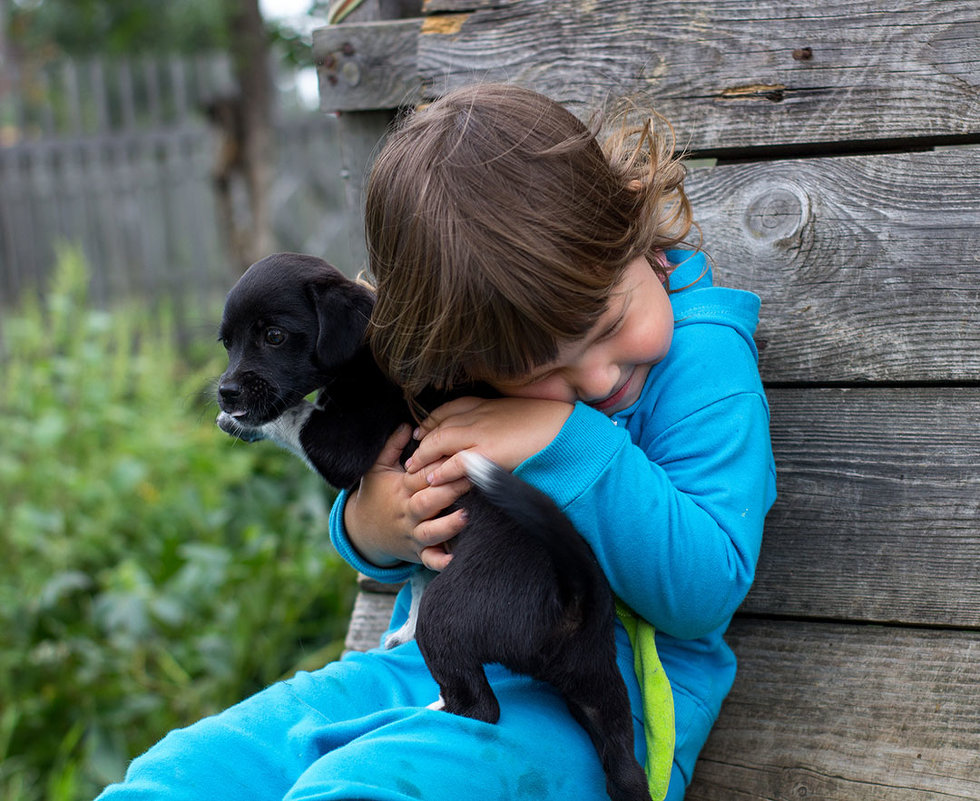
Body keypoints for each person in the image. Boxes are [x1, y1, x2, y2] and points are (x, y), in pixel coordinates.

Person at [96, 83, 776, 801]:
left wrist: (561, 434)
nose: (598, 376)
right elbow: (399, 533)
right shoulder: (472, 367)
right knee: (188, 772)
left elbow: (705, 587)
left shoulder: (704, 364)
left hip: (601, 703)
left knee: (364, 788)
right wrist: (374, 522)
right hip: (422, 664)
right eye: (541, 373)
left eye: (608, 326)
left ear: (630, 221)